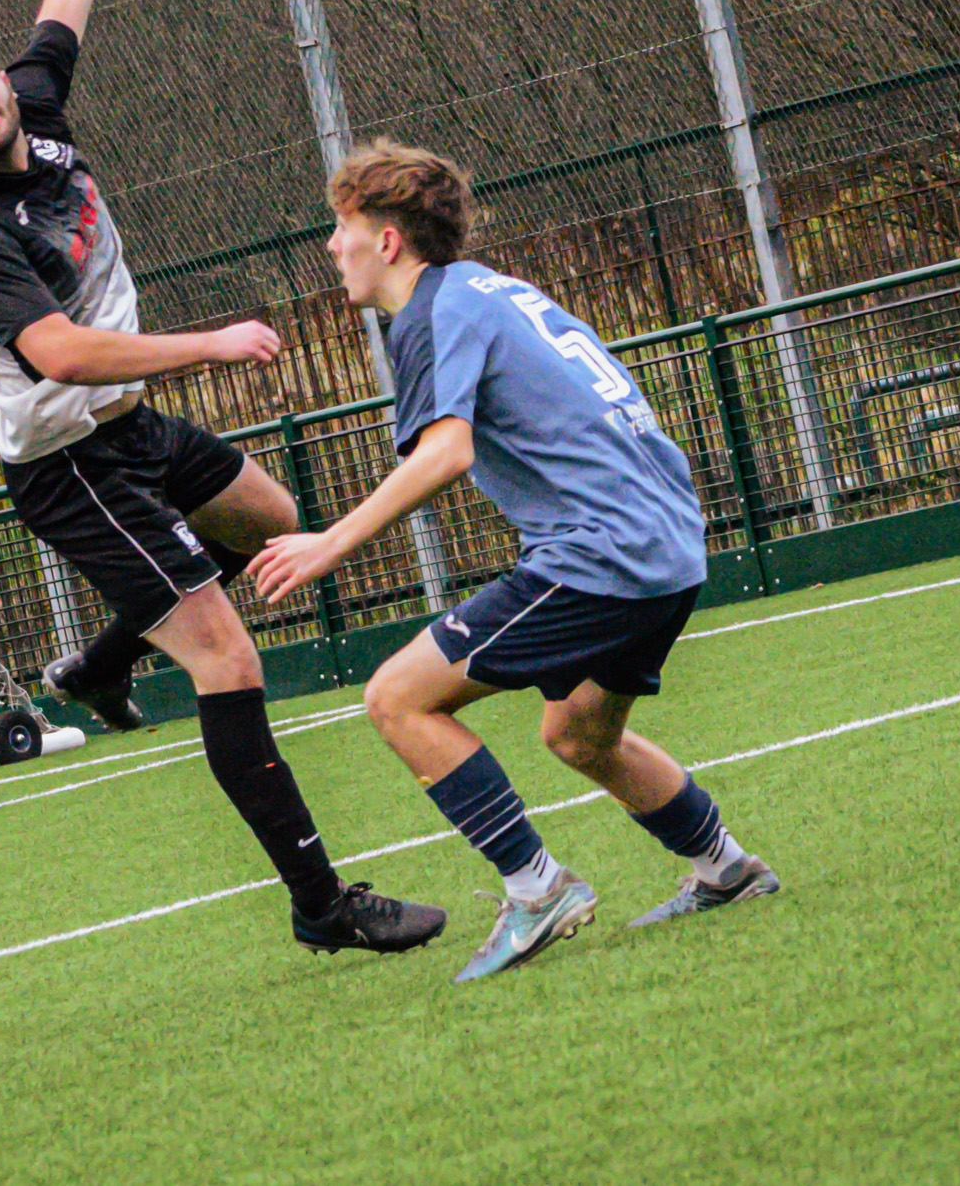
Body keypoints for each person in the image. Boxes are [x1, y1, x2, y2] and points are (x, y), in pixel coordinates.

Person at [0, 0, 443, 956]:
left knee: (272, 514)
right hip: (68, 456)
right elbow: (59, 353)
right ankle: (322, 905)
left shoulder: (36, 112)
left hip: (127, 426)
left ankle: (97, 662)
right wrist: (202, 342)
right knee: (225, 654)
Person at [251, 141, 779, 983]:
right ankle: (726, 866)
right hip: (666, 544)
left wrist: (330, 541)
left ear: (387, 240)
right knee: (576, 732)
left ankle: (536, 888)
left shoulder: (431, 311)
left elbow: (446, 452)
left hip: (605, 553)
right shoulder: (489, 289)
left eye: (341, 227)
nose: (330, 246)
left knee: (396, 697)